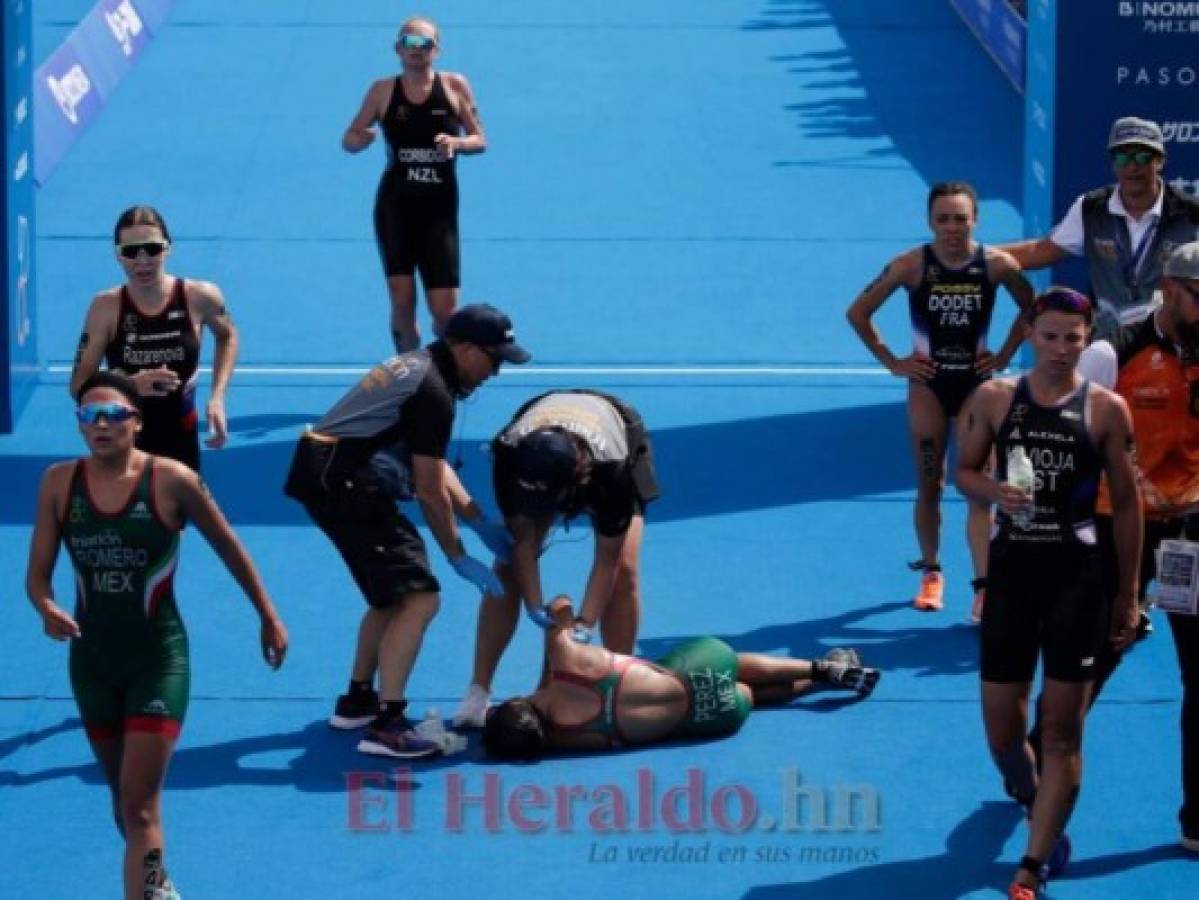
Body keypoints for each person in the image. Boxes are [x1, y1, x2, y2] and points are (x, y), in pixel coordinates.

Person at [24, 372, 288, 900]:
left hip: (158, 659)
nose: (101, 426)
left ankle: (146, 891)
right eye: (89, 416)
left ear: (136, 423)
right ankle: (155, 880)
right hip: (92, 664)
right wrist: (46, 606)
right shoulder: (58, 482)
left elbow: (229, 547)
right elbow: (37, 575)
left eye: (113, 415)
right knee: (125, 805)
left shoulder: (172, 480)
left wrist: (267, 614)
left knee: (142, 804)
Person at [955, 287, 1142, 898]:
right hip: (1013, 579)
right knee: (1004, 735)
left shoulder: (1107, 409)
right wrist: (992, 491)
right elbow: (963, 471)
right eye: (1052, 336)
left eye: (1074, 338)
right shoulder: (995, 398)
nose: (1062, 349)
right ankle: (1034, 797)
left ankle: (1032, 863)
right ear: (1032, 334)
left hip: (1079, 582)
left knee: (1062, 732)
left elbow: (1129, 502)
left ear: (1088, 340)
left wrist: (1128, 594)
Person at [283, 303, 529, 759]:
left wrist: (478, 521)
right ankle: (388, 725)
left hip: (328, 474)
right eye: (495, 359)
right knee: (420, 597)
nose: (496, 372)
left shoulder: (423, 368)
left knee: (390, 595)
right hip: (347, 482)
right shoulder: (432, 390)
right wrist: (458, 554)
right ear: (466, 348)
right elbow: (430, 490)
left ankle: (359, 700)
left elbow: (431, 467)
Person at [1030, 242, 1199, 854]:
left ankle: (1196, 819)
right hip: (1113, 525)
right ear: (1171, 288)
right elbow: (1064, 433)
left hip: (1191, 531)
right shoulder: (1113, 353)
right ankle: (1041, 751)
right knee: (1100, 653)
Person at [847, 181, 1033, 618]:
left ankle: (984, 588)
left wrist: (1005, 354)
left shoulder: (997, 265)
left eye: (960, 219)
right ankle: (931, 571)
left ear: (975, 220)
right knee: (930, 483)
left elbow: (1033, 307)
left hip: (976, 387)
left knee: (979, 488)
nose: (952, 228)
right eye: (943, 219)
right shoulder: (910, 266)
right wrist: (893, 361)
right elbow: (858, 312)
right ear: (930, 220)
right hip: (928, 386)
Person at [452, 389, 659, 728]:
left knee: (624, 570)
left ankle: (618, 686)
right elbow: (523, 543)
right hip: (538, 425)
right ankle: (477, 690)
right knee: (507, 565)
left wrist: (585, 624)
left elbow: (607, 558)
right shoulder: (509, 453)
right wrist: (534, 605)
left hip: (616, 431)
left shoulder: (612, 473)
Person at [482, 596, 880, 759]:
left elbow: (547, 712)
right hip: (699, 669)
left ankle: (814, 682)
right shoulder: (563, 660)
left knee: (747, 694)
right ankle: (824, 668)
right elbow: (561, 609)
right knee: (731, 664)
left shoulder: (565, 742)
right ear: (515, 703)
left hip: (715, 718)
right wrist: (558, 621)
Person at [342, 15, 486, 353]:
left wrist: (458, 144)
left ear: (437, 50)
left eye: (424, 44)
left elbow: (480, 139)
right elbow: (348, 138)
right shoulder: (382, 90)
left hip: (439, 212)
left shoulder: (454, 86)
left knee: (446, 314)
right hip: (396, 208)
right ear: (397, 49)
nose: (416, 50)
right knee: (402, 301)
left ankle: (448, 375)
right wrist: (359, 140)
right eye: (409, 43)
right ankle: (409, 378)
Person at [70, 205, 239, 472]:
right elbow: (78, 386)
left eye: (152, 249)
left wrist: (218, 397)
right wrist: (127, 386)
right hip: (123, 443)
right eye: (130, 252)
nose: (142, 261)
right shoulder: (106, 307)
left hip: (182, 438)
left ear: (168, 248)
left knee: (175, 512)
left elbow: (227, 336)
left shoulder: (200, 297)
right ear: (118, 256)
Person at [1004, 116, 1199, 341]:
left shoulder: (1191, 214)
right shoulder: (1091, 208)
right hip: (1107, 343)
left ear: (1160, 161)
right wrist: (977, 254)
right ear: (1112, 163)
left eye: (1143, 156)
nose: (1132, 166)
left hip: (1171, 342)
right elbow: (1040, 250)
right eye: (1123, 157)